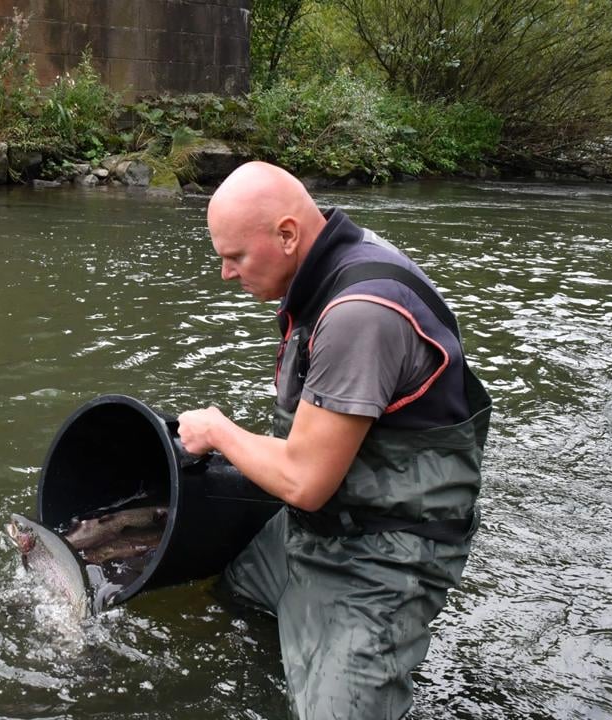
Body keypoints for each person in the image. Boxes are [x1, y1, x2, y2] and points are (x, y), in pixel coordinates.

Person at [178, 162, 491, 720]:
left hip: (386, 551)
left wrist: (218, 430)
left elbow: (305, 481)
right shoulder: (336, 259)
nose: (226, 273)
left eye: (236, 257)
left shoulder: (357, 314)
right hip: (326, 521)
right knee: (238, 599)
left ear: (287, 234)